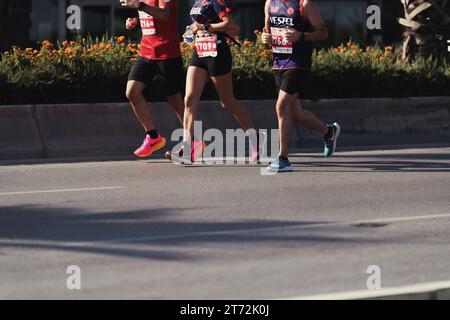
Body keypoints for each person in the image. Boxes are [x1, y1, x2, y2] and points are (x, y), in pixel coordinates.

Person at [169, 0, 261, 164]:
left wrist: (206, 28)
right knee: (189, 99)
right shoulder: (198, 2)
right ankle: (189, 145)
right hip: (200, 52)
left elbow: (229, 24)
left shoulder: (216, 1)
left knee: (228, 103)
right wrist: (191, 31)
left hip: (217, 53)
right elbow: (199, 24)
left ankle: (256, 142)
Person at [261, 0, 341, 172]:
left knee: (281, 107)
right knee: (295, 114)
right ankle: (329, 132)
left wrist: (301, 36)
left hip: (298, 63)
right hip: (278, 63)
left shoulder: (304, 4)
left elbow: (323, 33)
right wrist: (265, 37)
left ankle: (283, 158)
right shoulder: (269, 3)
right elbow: (266, 32)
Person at [121, 0, 185, 158]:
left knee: (175, 100)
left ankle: (193, 140)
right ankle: (153, 137)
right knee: (132, 92)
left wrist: (139, 5)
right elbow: (149, 16)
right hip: (146, 52)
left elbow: (165, 15)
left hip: (167, 53)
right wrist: (135, 21)